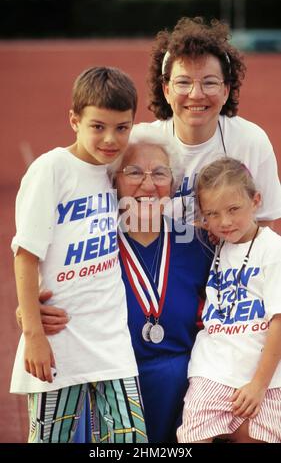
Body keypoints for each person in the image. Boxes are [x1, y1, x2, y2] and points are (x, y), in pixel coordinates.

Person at [20, 123, 212, 442]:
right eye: (134, 172)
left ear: (175, 184)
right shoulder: (94, 243)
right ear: (115, 181)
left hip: (184, 392)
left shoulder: (198, 245)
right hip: (113, 384)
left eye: (160, 174)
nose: (148, 185)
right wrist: (28, 313)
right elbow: (50, 290)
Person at [10, 66, 148, 443]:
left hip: (111, 341)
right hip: (59, 340)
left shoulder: (116, 169)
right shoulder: (51, 169)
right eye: (98, 126)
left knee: (130, 439)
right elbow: (25, 255)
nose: (110, 139)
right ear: (74, 120)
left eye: (122, 128)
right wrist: (33, 332)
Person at [177, 157, 281, 443]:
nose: (225, 221)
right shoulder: (217, 241)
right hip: (213, 371)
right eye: (213, 213)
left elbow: (279, 322)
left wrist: (259, 384)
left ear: (256, 200)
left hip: (266, 378)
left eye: (234, 209)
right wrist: (209, 225)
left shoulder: (273, 250)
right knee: (192, 438)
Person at [147, 16, 281, 226]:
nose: (196, 94)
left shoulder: (251, 142)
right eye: (183, 82)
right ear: (166, 90)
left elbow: (265, 222)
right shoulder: (143, 145)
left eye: (209, 83)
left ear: (226, 90)